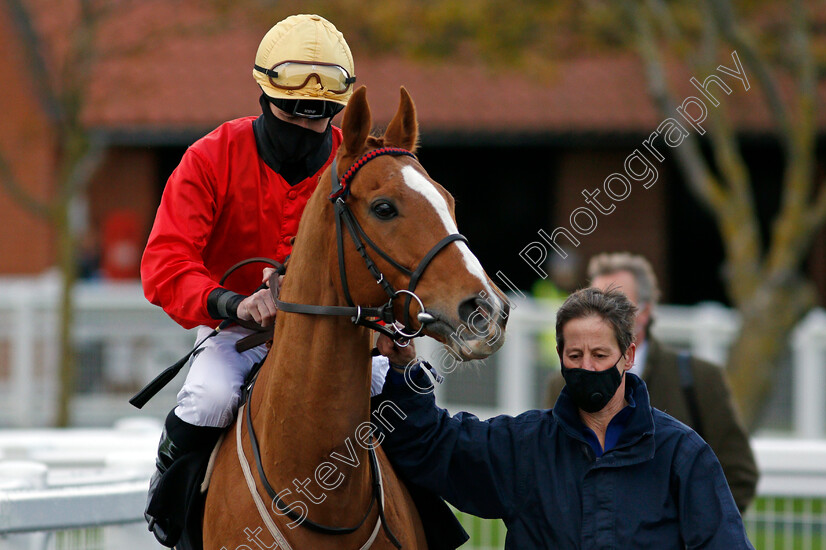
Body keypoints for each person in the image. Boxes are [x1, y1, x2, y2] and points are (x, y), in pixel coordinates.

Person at [139, 14, 394, 544]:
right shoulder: (209, 157)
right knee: (208, 396)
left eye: (321, 115)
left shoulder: (360, 166)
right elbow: (166, 262)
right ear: (264, 96)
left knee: (394, 393)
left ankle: (426, 520)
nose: (306, 126)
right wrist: (232, 303)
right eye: (293, 113)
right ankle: (175, 521)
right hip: (236, 332)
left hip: (340, 335)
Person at [373, 287, 754, 548]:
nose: (587, 367)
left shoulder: (681, 454)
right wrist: (406, 370)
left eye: (600, 355)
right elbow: (431, 444)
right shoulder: (523, 446)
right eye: (575, 356)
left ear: (629, 356)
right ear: (560, 356)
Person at [544, 252, 758, 513]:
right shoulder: (562, 384)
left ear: (645, 312)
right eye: (595, 302)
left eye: (617, 303)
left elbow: (738, 475)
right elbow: (549, 471)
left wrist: (689, 532)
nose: (601, 314)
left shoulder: (699, 378)